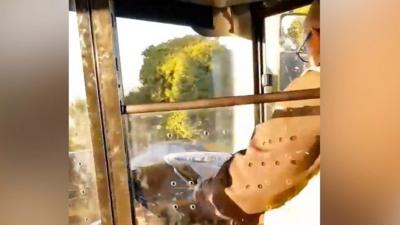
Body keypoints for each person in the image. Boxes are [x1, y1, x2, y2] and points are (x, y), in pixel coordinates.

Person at [194, 1, 320, 224]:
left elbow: (247, 192)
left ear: (317, 35)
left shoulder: (318, 86)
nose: (309, 52)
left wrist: (205, 193)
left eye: (306, 44)